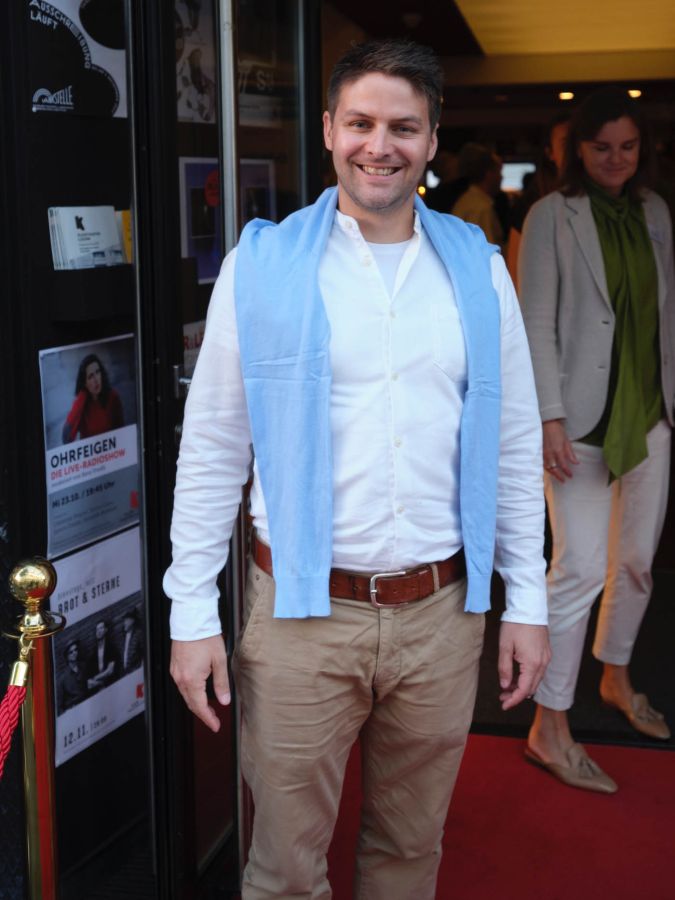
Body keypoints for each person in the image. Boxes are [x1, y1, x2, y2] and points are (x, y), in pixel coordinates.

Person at [165, 39, 550, 899]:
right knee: (285, 869)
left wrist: (526, 599)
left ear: (431, 139)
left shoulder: (479, 269)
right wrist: (191, 612)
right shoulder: (261, 265)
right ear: (330, 130)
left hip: (441, 613)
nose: (380, 145)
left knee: (409, 851)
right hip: (300, 619)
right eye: (361, 123)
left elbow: (513, 442)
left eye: (403, 128)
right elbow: (214, 447)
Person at [519, 87, 675, 794]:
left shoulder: (654, 212)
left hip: (650, 413)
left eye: (627, 146)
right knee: (578, 569)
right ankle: (547, 726)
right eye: (601, 146)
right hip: (576, 422)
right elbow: (535, 321)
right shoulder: (551, 215)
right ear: (576, 150)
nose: (615, 158)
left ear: (643, 150)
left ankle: (615, 676)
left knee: (635, 562)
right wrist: (547, 416)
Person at [506, 112, 571, 289]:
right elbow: (516, 274)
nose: (574, 150)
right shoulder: (532, 205)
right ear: (550, 153)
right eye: (566, 144)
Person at [62, 353, 124, 443]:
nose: (96, 379)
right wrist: (81, 397)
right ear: (85, 383)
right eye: (90, 376)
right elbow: (66, 438)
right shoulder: (82, 403)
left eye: (97, 372)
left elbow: (121, 433)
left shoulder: (113, 397)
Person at [451, 142, 504, 246]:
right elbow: (487, 249)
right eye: (498, 172)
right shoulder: (481, 207)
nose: (502, 177)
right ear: (489, 174)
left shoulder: (466, 200)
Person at [86, 619, 120, 693]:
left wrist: (96, 678)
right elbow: (88, 682)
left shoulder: (111, 648)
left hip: (112, 685)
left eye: (101, 628)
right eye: (97, 629)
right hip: (99, 689)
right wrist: (99, 683)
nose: (98, 631)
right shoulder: (94, 653)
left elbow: (110, 671)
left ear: (105, 630)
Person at [57, 639, 88, 712]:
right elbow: (60, 705)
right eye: (71, 652)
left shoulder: (84, 667)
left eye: (75, 650)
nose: (74, 653)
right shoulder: (63, 679)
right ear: (67, 657)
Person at [120, 607, 144, 674]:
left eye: (126, 620)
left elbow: (144, 652)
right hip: (126, 673)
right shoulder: (123, 636)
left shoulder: (138, 634)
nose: (124, 623)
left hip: (136, 671)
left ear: (132, 620)